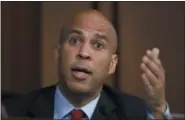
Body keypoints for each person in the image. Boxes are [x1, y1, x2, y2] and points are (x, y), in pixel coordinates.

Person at [2, 9, 173, 120]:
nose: (83, 53)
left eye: (98, 45)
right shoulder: (15, 110)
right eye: (75, 40)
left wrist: (158, 109)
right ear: (58, 54)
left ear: (112, 64)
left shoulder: (134, 113)